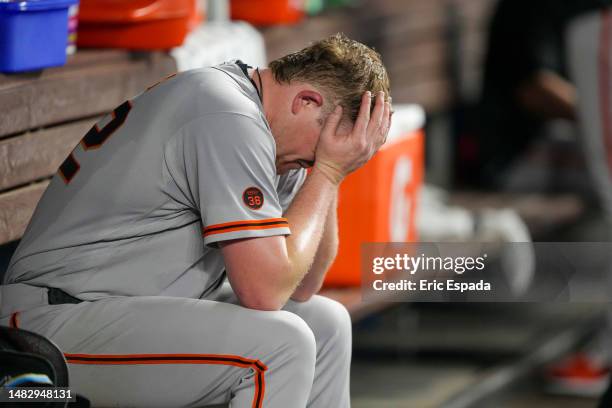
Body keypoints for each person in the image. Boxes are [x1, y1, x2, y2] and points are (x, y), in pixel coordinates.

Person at [0, 33, 392, 407]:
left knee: (327, 323)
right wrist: (326, 172)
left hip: (119, 315)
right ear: (306, 101)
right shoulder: (226, 111)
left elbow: (302, 286)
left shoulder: (274, 135)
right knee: (281, 345)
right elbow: (264, 292)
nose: (314, 164)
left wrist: (330, 173)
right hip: (48, 325)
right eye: (319, 152)